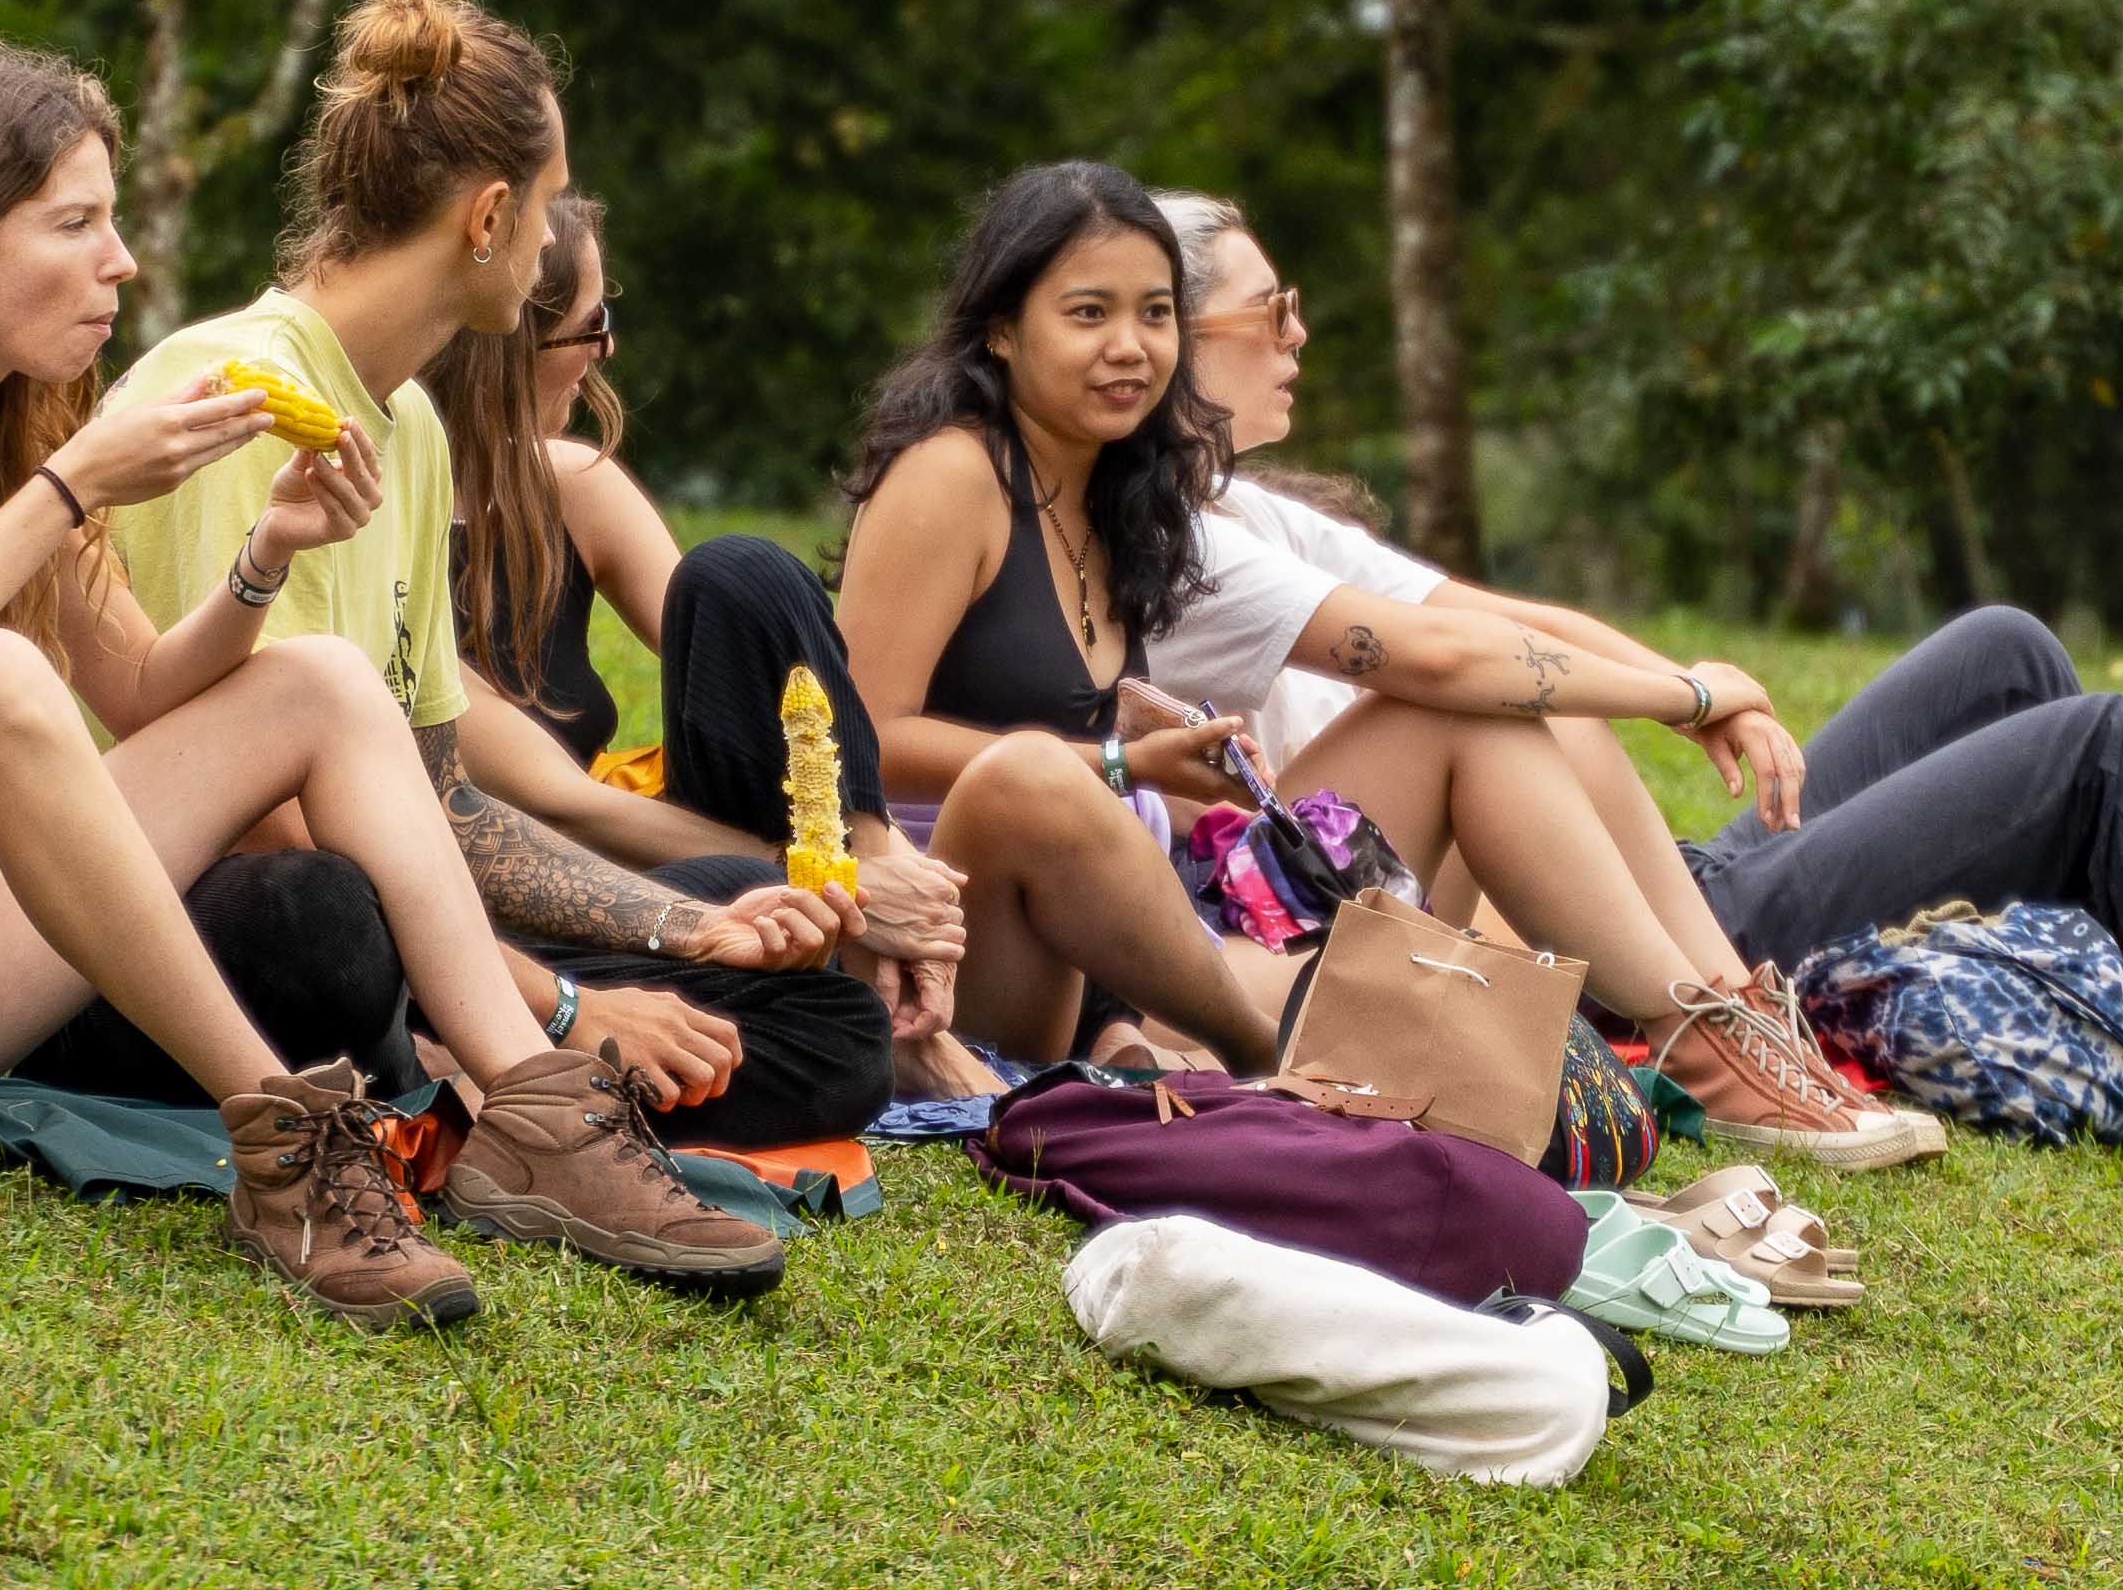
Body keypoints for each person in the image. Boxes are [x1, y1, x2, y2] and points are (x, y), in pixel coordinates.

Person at [0, 39, 784, 1325]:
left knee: (320, 679)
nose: (123, 262)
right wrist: (76, 487)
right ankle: (289, 1142)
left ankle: (531, 1107)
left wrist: (264, 559)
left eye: (114, 222)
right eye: (77, 224)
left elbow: (154, 690)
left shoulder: (4, 453)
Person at [1148, 186, 2123, 1197]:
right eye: (1269, 311)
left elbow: (1488, 614)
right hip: (1569, 930)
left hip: (1626, 871)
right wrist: (1669, 700)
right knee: (2095, 745)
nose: (1297, 332)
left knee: (2006, 649)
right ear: (1174, 337)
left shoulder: (1250, 509)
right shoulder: (1177, 550)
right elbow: (1452, 674)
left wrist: (1693, 685)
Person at [826, 162, 1935, 1166]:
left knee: (1482, 717)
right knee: (1043, 777)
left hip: (1142, 915)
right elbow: (861, 741)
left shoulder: (1130, 500)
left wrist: (1140, 757)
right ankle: (1308, 1059)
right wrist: (1122, 759)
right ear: (1003, 331)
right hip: (967, 943)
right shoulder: (954, 476)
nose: (1130, 345)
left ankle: (1708, 1037)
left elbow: (1472, 627)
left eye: (1154, 313)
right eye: (1088, 313)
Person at [108, 0, 897, 1150]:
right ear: (487, 219)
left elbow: (437, 799)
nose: (546, 247)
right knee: (323, 918)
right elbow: (268, 823)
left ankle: (462, 1073)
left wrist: (682, 932)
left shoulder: (407, 426)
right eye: (546, 208)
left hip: (413, 924)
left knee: (805, 989)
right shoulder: (227, 389)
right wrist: (567, 1003)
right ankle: (467, 1073)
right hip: (221, 925)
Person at [430, 190, 1223, 1097]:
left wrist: (868, 852)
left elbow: (762, 655)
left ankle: (968, 977)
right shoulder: (377, 538)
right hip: (541, 901)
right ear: (497, 346)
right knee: (760, 918)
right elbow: (559, 804)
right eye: (589, 327)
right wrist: (840, 884)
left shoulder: (568, 485)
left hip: (759, 874)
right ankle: (919, 1018)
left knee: (743, 571)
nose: (606, 352)